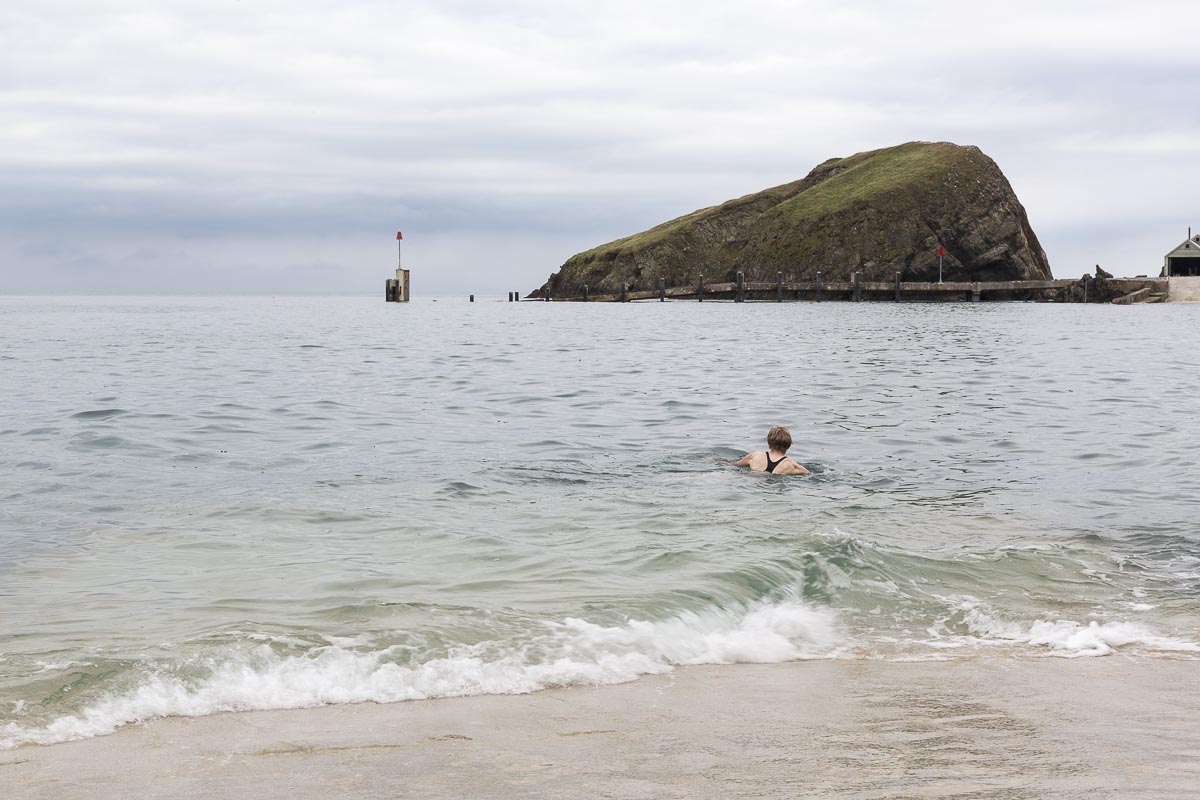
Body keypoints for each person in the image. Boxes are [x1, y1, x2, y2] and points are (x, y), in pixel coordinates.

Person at [733, 426, 812, 475]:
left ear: (768, 442)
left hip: (754, 480)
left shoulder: (756, 456)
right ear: (789, 445)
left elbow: (734, 464)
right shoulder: (790, 464)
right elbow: (809, 474)